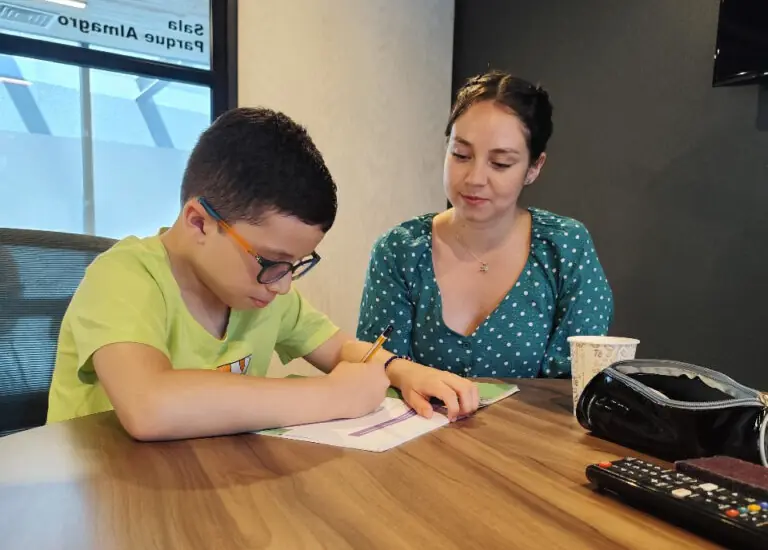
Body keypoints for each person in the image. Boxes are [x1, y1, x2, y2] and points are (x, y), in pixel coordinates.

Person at [47, 107, 479, 441]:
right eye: (271, 262)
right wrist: (332, 396)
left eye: (294, 265)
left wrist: (403, 371)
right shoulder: (123, 278)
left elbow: (343, 350)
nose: (284, 284)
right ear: (199, 222)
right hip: (103, 499)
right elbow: (148, 405)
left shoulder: (260, 291)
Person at [357, 70, 613, 379]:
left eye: (500, 163)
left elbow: (573, 384)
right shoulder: (400, 251)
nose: (475, 179)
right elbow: (379, 373)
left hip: (531, 428)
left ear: (534, 168)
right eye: (461, 155)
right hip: (422, 427)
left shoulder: (565, 247)